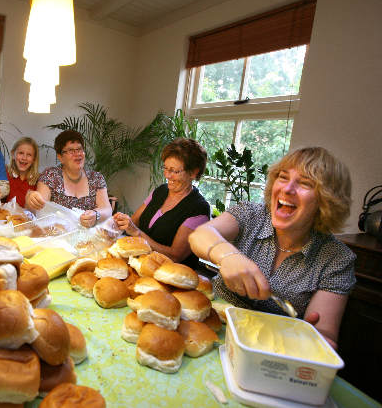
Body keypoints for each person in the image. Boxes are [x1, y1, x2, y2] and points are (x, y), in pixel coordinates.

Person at [188, 147, 355, 349]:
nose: (287, 189)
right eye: (283, 178)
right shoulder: (250, 214)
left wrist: (311, 341)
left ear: (326, 200)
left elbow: (323, 339)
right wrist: (229, 256)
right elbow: (200, 235)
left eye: (305, 183)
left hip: (269, 349)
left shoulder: (337, 259)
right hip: (209, 328)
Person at [113, 138, 210, 267]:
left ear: (193, 172)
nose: (167, 175)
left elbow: (175, 256)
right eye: (165, 168)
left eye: (174, 171)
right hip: (141, 264)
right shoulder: (161, 190)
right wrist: (119, 224)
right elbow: (135, 221)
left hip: (169, 275)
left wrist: (137, 233)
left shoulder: (198, 208)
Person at [26, 130, 111, 228]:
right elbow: (39, 208)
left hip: (90, 238)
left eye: (79, 149)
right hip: (58, 237)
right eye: (71, 151)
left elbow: (106, 209)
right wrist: (31, 198)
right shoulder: (51, 175)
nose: (78, 154)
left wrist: (96, 214)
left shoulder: (96, 178)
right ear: (60, 157)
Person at [4, 137, 40, 208]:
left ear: (34, 159)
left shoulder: (38, 180)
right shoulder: (4, 173)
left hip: (27, 218)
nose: (24, 158)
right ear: (13, 154)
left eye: (29, 155)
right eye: (21, 153)